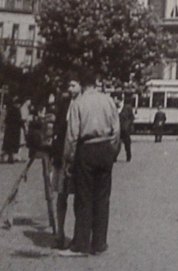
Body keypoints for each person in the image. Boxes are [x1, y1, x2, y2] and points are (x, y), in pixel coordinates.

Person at [59, 70, 120, 257]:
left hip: (86, 149)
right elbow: (116, 130)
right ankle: (99, 243)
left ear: (83, 86)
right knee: (102, 198)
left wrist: (68, 159)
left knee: (84, 198)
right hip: (105, 150)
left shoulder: (78, 103)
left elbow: (72, 135)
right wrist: (112, 151)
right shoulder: (108, 100)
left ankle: (81, 244)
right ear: (96, 83)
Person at [51, 77, 81, 249]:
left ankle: (77, 235)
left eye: (73, 85)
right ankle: (60, 232)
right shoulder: (64, 105)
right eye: (68, 85)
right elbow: (58, 127)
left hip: (77, 157)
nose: (70, 89)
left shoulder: (84, 105)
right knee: (61, 195)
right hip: (63, 154)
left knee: (79, 196)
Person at [0, 97, 24, 163]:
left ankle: (7, 157)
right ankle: (11, 157)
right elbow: (19, 120)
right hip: (16, 130)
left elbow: (6, 119)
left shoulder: (9, 109)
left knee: (8, 143)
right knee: (14, 144)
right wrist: (23, 125)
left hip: (9, 129)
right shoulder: (17, 110)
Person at [114, 94, 135, 162]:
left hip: (125, 129)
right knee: (116, 144)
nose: (114, 101)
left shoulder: (127, 108)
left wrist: (128, 125)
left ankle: (128, 156)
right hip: (117, 129)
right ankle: (114, 157)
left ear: (119, 100)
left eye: (115, 99)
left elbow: (132, 118)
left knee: (127, 144)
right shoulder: (114, 108)